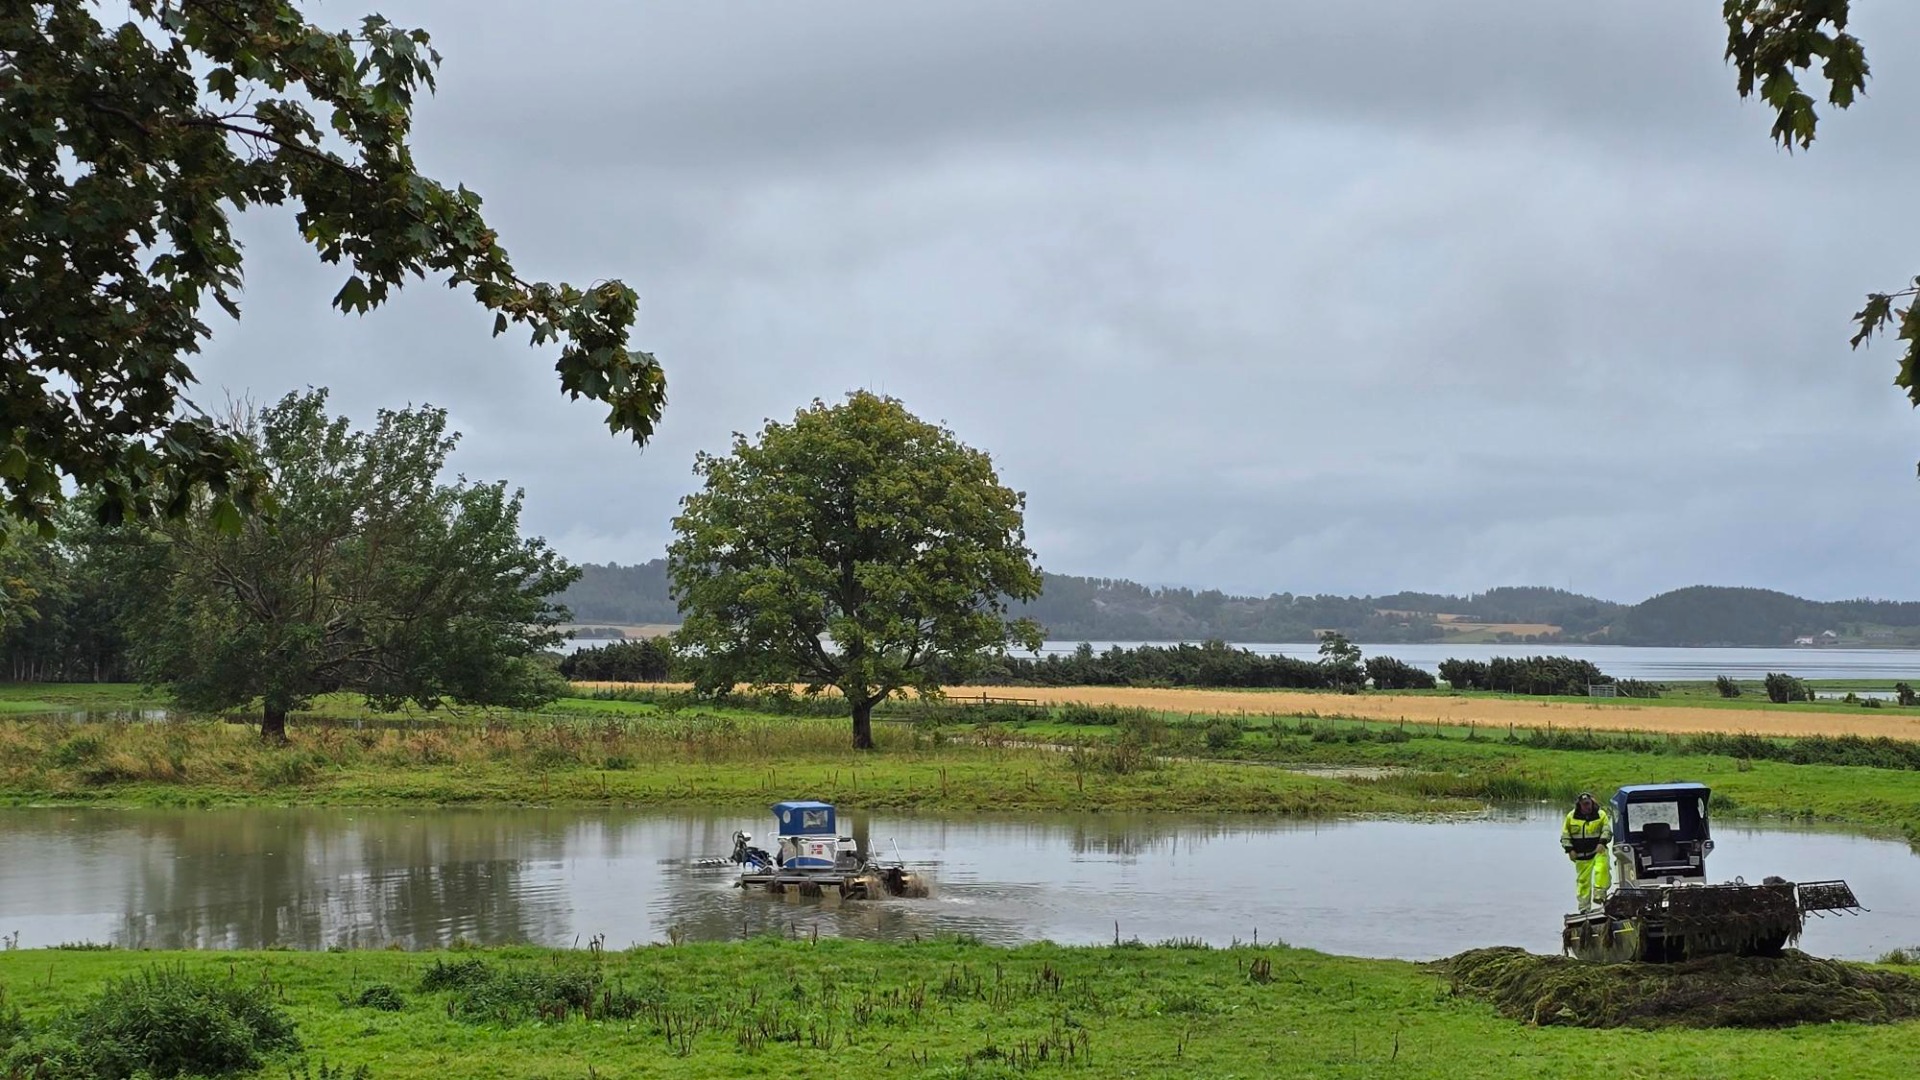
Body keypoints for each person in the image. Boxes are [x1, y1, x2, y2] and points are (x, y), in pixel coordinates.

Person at [1560, 791, 1612, 911]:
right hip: (1581, 855)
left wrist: (1602, 842)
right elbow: (1565, 835)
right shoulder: (1571, 817)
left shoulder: (1601, 814)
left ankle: (1599, 895)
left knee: (1602, 869)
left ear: (1591, 802)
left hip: (1598, 851)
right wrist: (1569, 850)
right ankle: (1584, 908)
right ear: (1579, 804)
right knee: (1583, 881)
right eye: (1584, 804)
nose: (1587, 806)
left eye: (1588, 803)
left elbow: (1607, 831)